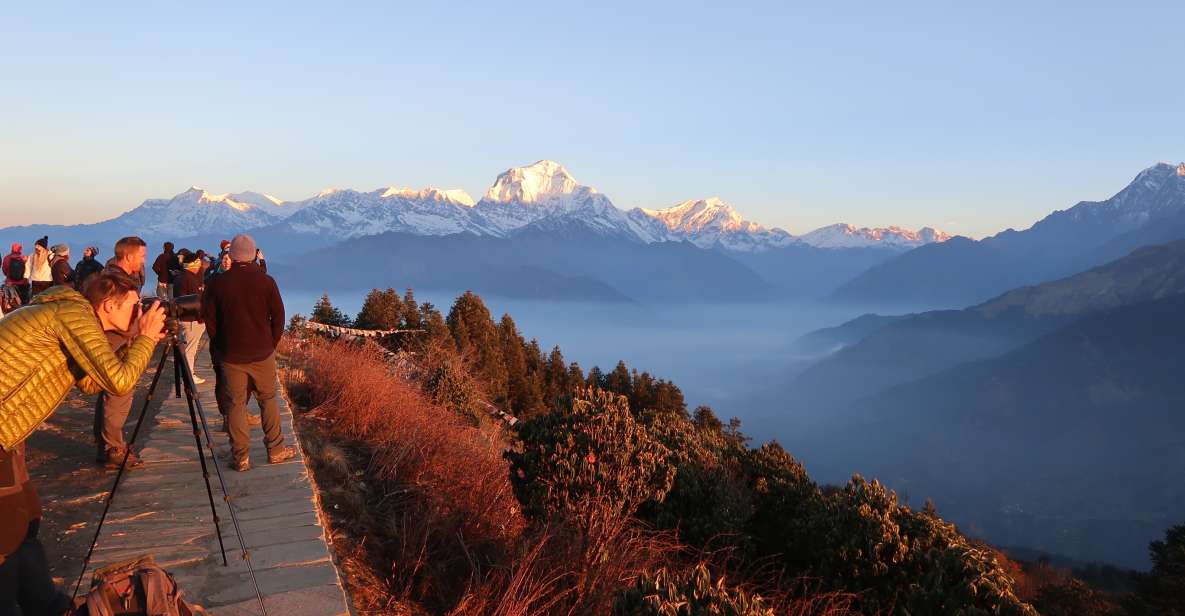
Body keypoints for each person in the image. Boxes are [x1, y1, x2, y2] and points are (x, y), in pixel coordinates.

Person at [0, 273, 167, 616]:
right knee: (6, 531)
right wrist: (147, 337)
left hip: (8, 437)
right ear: (108, 305)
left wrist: (133, 336)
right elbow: (118, 382)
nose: (140, 311)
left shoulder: (73, 314)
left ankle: (47, 606)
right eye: (135, 305)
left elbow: (92, 382)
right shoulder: (72, 315)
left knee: (27, 518)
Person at [201, 234, 294, 472]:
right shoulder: (266, 281)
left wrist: (220, 344)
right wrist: (270, 343)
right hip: (262, 352)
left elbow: (209, 320)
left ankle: (241, 457)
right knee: (268, 400)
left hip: (231, 354)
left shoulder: (218, 284)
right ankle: (275, 449)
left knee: (236, 405)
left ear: (231, 255)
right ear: (254, 255)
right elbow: (279, 316)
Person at [94, 236, 148, 469]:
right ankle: (113, 448)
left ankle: (108, 445)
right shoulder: (114, 281)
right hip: (117, 344)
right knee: (118, 393)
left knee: (113, 395)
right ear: (129, 256)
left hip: (119, 343)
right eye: (142, 256)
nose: (144, 260)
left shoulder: (117, 276)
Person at [174, 252, 207, 384]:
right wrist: (200, 318)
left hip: (184, 317)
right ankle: (189, 376)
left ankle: (186, 373)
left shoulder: (181, 277)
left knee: (187, 347)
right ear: (193, 264)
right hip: (192, 319)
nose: (200, 265)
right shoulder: (190, 279)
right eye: (198, 263)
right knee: (190, 349)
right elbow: (195, 301)